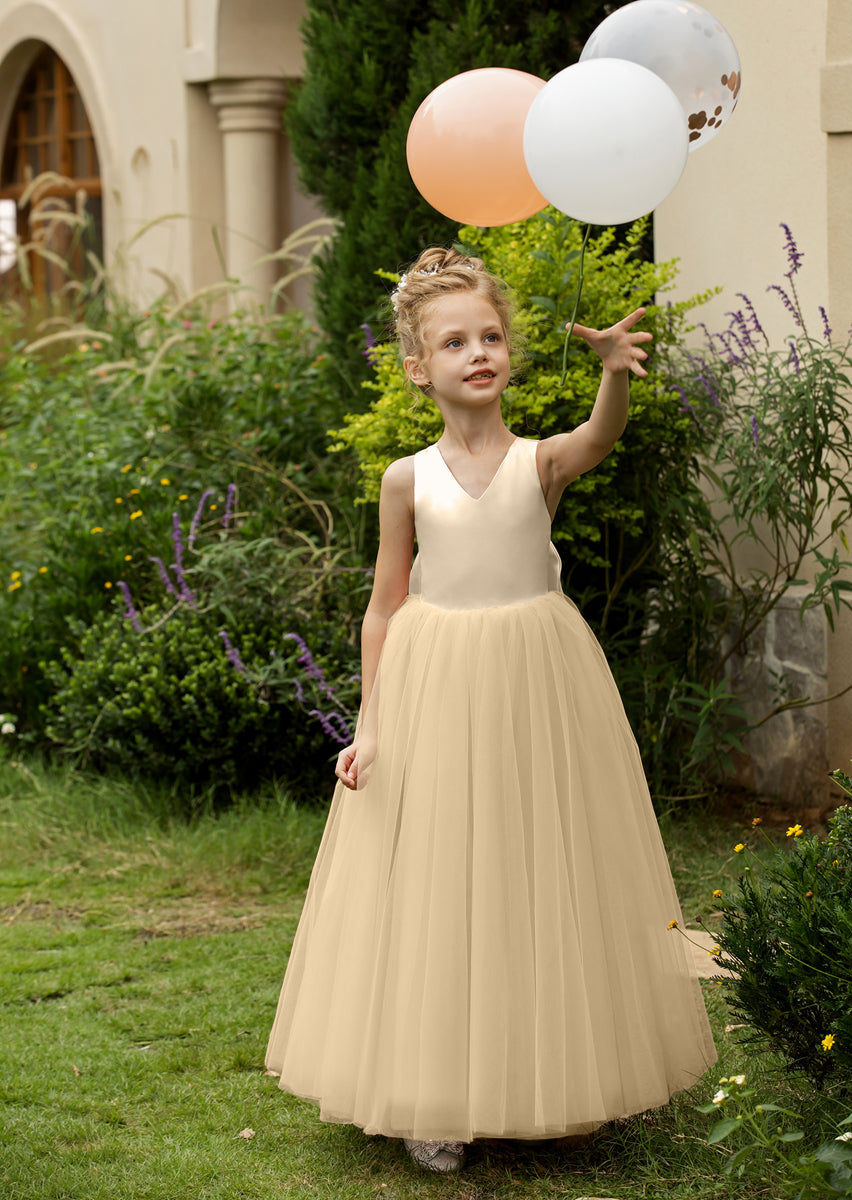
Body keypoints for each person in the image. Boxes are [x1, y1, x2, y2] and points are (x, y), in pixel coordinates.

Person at [265, 247, 717, 1174]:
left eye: (493, 336)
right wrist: (372, 725)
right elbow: (385, 606)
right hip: (434, 684)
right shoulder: (407, 479)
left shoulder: (537, 462)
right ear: (416, 367)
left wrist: (610, 377)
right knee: (441, 878)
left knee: (543, 865)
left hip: (536, 681)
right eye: (455, 341)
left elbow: (599, 439)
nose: (480, 352)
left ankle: (568, 1072)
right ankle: (437, 1091)